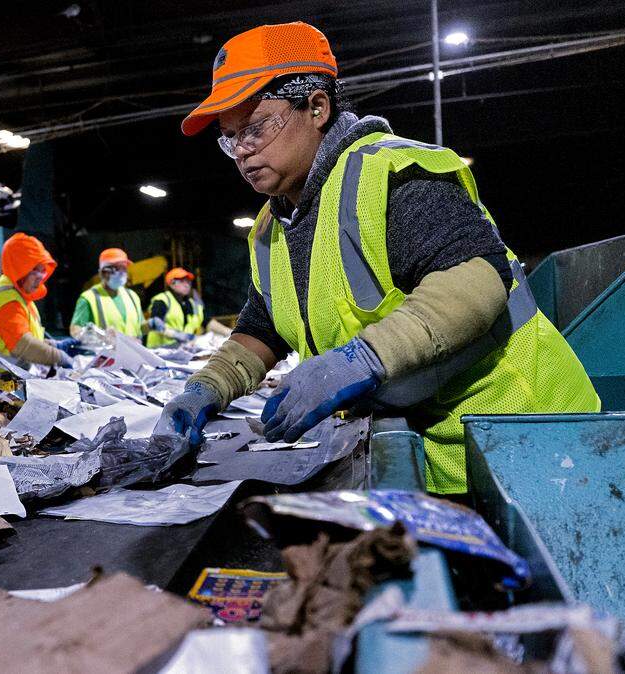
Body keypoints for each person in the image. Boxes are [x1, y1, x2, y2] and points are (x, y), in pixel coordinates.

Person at [153, 22, 600, 495]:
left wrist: (358, 361)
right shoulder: (272, 226)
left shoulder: (390, 176)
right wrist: (205, 389)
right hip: (425, 453)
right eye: (230, 139)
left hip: (531, 444)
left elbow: (477, 281)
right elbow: (263, 325)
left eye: (256, 128)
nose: (242, 152)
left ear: (317, 106)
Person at [0, 233, 78, 373]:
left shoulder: (22, 298)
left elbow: (23, 341)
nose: (40, 277)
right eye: (34, 269)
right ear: (18, 268)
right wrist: (59, 357)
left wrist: (55, 346)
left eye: (42, 270)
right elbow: (24, 346)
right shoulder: (5, 300)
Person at [70, 247, 146, 339]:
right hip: (105, 353)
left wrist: (152, 325)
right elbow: (75, 331)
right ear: (103, 272)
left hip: (133, 352)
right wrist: (100, 336)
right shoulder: (89, 298)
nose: (122, 273)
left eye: (124, 268)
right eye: (117, 268)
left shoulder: (132, 296)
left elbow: (140, 328)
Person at [146, 267, 205, 347]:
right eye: (182, 281)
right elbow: (154, 324)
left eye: (188, 282)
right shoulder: (162, 300)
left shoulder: (191, 304)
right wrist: (179, 336)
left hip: (181, 349)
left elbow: (206, 322)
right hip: (159, 350)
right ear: (172, 284)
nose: (186, 285)